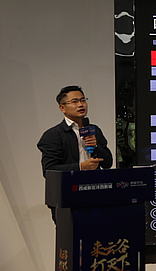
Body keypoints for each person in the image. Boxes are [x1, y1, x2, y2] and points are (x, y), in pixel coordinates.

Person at [38, 85, 113, 221]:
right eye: (74, 101)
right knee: (71, 234)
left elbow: (108, 163)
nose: (80, 104)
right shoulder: (53, 135)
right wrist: (81, 167)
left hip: (95, 193)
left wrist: (96, 146)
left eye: (83, 100)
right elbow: (49, 170)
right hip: (67, 197)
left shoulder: (94, 130)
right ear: (62, 108)